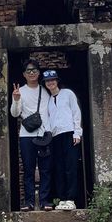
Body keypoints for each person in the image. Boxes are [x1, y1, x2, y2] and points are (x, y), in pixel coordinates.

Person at [10, 59, 53, 211]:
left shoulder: (45, 91)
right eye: (28, 71)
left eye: (34, 70)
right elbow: (15, 114)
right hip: (26, 135)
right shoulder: (20, 91)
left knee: (45, 169)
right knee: (28, 169)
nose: (32, 73)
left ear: (39, 72)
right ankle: (28, 202)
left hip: (44, 135)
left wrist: (50, 131)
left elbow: (50, 112)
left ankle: (44, 201)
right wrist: (15, 100)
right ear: (24, 74)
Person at [42, 69, 82, 210]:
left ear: (57, 81)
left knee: (70, 166)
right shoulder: (48, 101)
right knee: (58, 168)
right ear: (45, 84)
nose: (50, 83)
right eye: (47, 81)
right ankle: (62, 199)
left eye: (52, 80)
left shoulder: (68, 94)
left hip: (69, 133)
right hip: (55, 136)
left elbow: (76, 113)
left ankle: (71, 198)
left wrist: (77, 133)